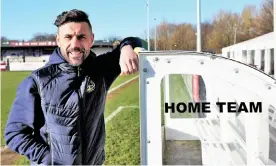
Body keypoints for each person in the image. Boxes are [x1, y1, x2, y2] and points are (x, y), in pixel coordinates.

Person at [4, 9, 144, 165]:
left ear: (91, 39)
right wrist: (49, 159)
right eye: (68, 37)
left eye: (81, 37)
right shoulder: (37, 81)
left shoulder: (100, 70)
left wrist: (126, 47)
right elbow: (14, 134)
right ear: (58, 40)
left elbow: (138, 41)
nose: (75, 44)